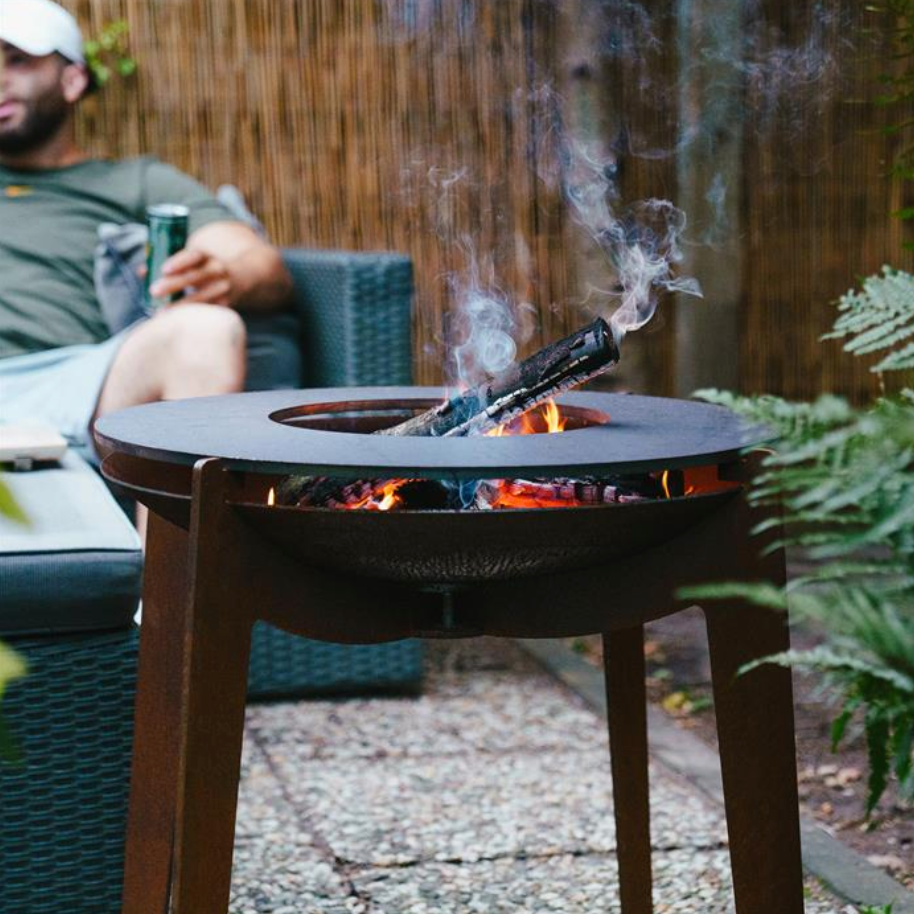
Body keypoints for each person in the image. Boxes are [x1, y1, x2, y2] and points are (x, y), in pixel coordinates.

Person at [0, 0, 293, 458]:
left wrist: (224, 275)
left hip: (73, 385)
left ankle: (167, 534)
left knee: (204, 331)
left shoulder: (133, 181)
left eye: (17, 61)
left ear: (72, 79)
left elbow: (254, 260)